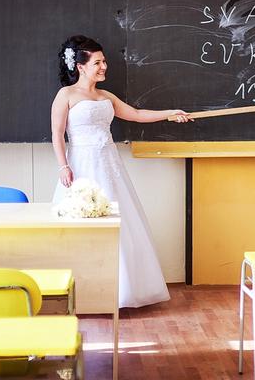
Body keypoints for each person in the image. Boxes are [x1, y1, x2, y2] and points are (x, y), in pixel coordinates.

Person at [51, 35, 191, 308]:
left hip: (109, 164)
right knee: (80, 225)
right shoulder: (65, 95)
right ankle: (82, 293)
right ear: (80, 66)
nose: (104, 67)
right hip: (80, 166)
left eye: (104, 61)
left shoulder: (106, 96)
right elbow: (57, 134)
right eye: (98, 62)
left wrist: (170, 113)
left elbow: (136, 114)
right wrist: (63, 166)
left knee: (119, 222)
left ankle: (121, 291)